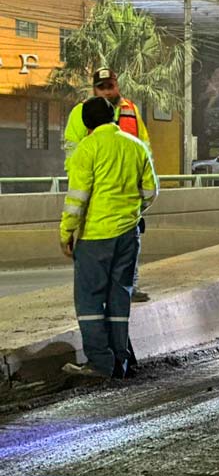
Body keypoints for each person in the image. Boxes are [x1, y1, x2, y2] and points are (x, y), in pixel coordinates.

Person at [60, 97, 158, 379]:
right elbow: (151, 191)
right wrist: (131, 213)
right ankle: (120, 362)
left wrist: (66, 231)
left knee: (89, 300)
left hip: (95, 236)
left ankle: (99, 363)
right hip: (128, 235)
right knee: (119, 297)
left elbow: (76, 200)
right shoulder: (136, 146)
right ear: (113, 116)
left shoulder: (86, 150)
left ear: (86, 123)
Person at [64, 66, 153, 303]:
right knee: (97, 246)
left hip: (126, 195)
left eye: (109, 86)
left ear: (117, 86)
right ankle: (104, 290)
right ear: (94, 89)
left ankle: (127, 287)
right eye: (101, 87)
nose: (106, 91)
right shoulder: (81, 112)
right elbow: (72, 151)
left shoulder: (131, 111)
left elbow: (145, 148)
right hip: (95, 193)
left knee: (129, 242)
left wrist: (139, 194)